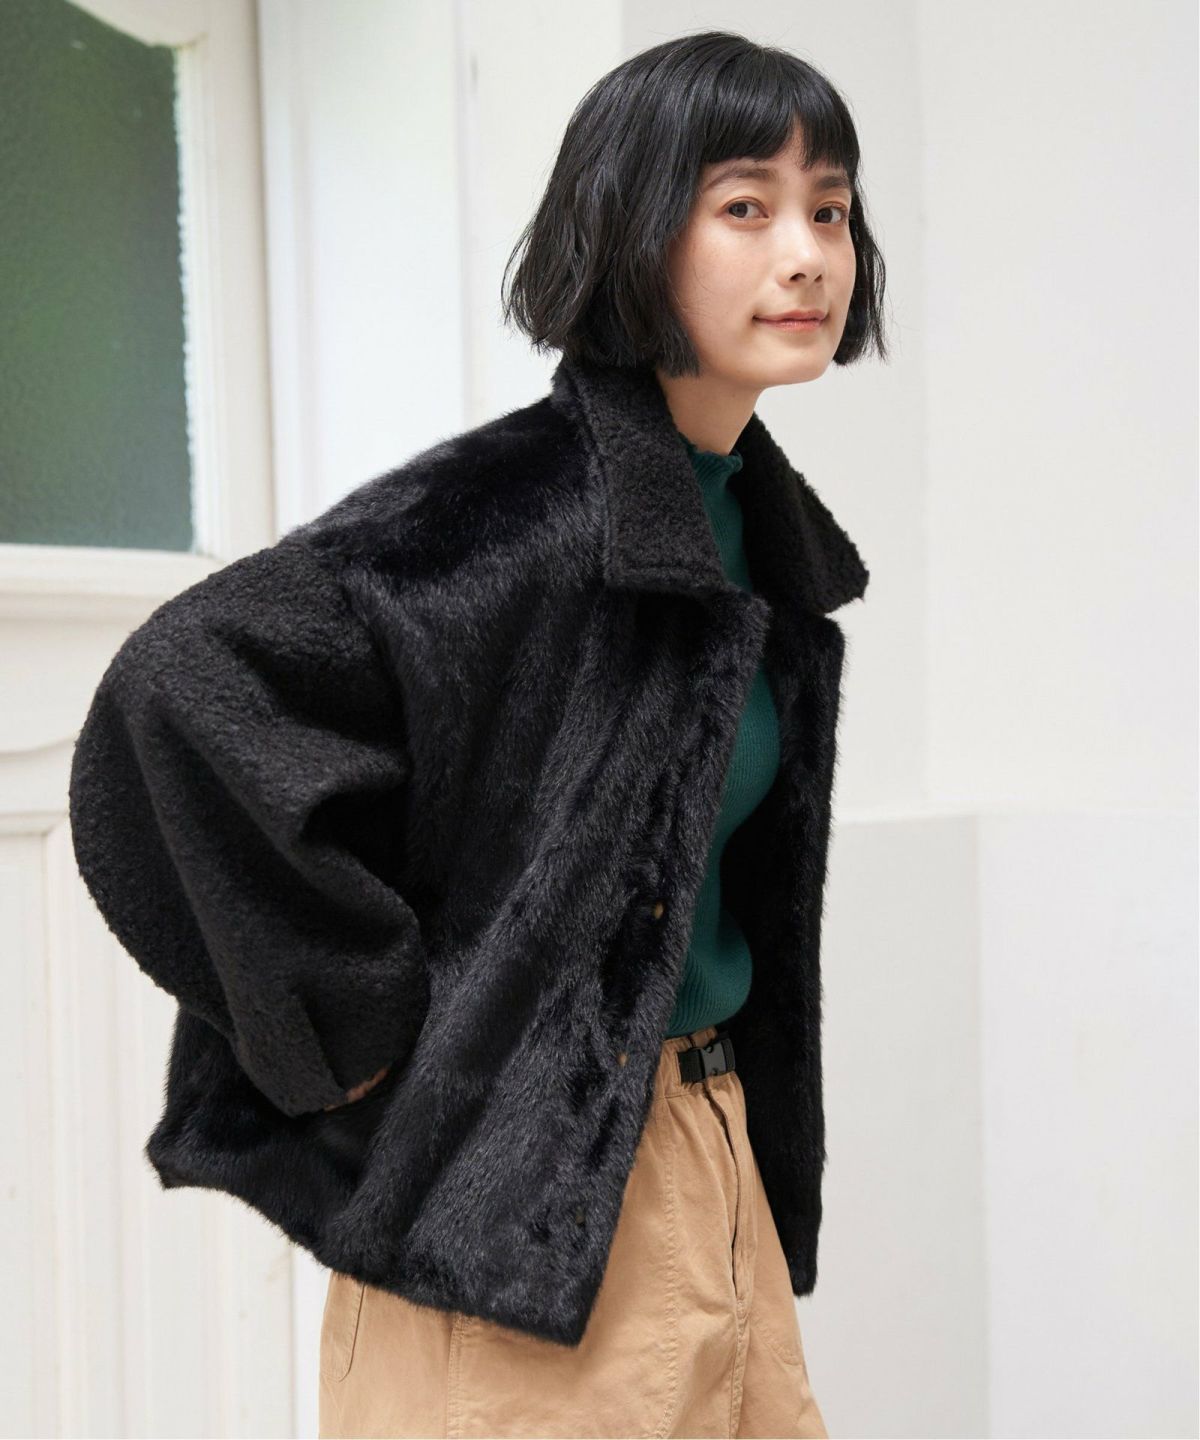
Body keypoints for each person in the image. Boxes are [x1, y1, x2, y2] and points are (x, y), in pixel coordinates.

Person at [68, 28, 887, 1440]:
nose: (807, 255)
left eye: (830, 209)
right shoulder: (518, 514)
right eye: (746, 207)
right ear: (633, 226)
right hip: (523, 1222)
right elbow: (182, 690)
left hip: (708, 1158)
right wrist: (354, 1024)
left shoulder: (752, 534)